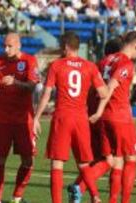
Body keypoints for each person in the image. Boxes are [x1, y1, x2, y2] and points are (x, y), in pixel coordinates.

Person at [33, 31, 108, 203]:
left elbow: (46, 94)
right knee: (83, 163)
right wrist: (98, 112)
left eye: (61, 46)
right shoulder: (90, 66)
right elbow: (104, 93)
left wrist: (36, 117)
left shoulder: (57, 65)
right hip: (81, 118)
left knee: (57, 163)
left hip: (63, 116)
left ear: (66, 46)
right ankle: (95, 197)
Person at [0, 32, 40, 203]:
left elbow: (31, 86)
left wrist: (15, 82)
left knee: (28, 160)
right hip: (3, 120)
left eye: (10, 46)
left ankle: (17, 197)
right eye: (4, 46)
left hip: (24, 120)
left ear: (19, 45)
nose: (6, 49)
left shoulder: (29, 61)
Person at [67, 36, 124, 203]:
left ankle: (79, 190)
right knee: (110, 161)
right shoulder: (119, 64)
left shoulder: (96, 65)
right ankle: (79, 188)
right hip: (106, 116)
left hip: (89, 115)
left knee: (93, 160)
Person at [96, 31, 136, 203]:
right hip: (120, 116)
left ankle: (112, 199)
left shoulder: (104, 61)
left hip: (105, 118)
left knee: (116, 160)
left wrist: (99, 111)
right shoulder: (126, 63)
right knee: (130, 159)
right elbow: (110, 87)